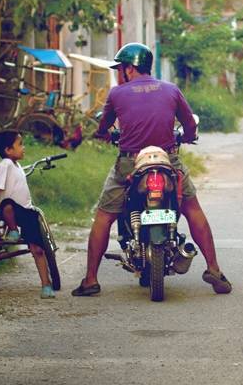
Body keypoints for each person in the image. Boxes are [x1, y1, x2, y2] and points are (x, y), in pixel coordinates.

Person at [72, 42, 232, 297]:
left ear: (128, 68)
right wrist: (187, 136)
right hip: (167, 160)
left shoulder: (117, 94)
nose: (119, 73)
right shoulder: (171, 89)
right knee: (192, 209)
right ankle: (214, 268)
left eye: (120, 68)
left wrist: (105, 134)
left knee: (104, 217)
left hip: (130, 163)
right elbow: (190, 124)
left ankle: (90, 279)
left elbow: (103, 128)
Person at [0, 131, 56, 299]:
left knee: (37, 249)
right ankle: (13, 230)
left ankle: (46, 285)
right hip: (9, 210)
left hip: (25, 211)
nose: (24, 147)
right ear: (8, 150)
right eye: (20, 144)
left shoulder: (17, 166)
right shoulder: (5, 164)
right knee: (8, 205)